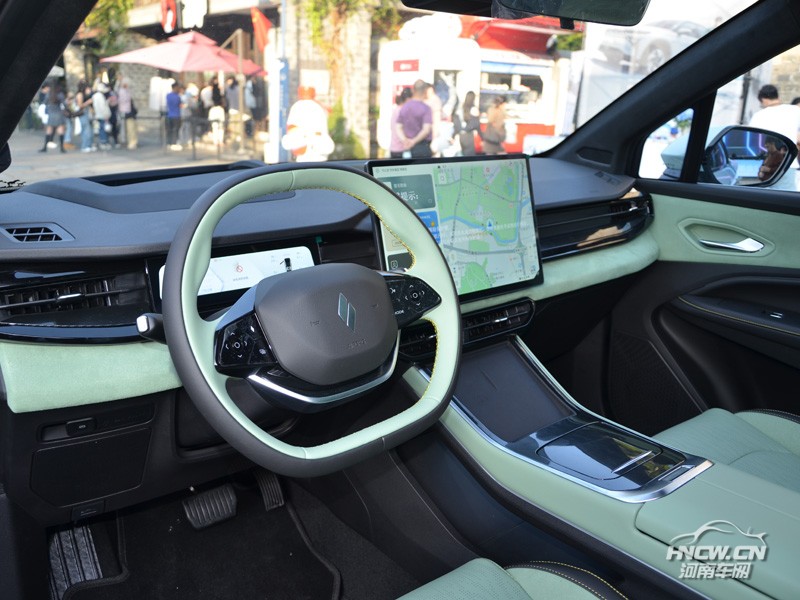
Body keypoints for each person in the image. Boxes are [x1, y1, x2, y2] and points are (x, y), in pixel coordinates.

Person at [281, 86, 334, 162]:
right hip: (312, 156)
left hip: (313, 155)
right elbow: (290, 135)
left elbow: (291, 132)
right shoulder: (317, 107)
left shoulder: (297, 107)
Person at [749, 84, 800, 157]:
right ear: (777, 97)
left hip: (769, 160)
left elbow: (753, 140)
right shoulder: (796, 110)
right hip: (793, 159)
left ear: (763, 100)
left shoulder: (758, 116)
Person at [396, 79, 433, 158]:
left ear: (413, 90)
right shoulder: (426, 108)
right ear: (425, 91)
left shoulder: (405, 107)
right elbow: (426, 130)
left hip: (407, 147)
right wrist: (413, 141)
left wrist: (405, 140)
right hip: (423, 147)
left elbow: (398, 127)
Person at [38, 83, 68, 153]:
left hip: (51, 114)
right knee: (60, 131)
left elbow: (44, 103)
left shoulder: (49, 94)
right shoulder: (60, 94)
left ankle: (45, 147)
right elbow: (64, 104)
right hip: (59, 114)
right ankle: (62, 148)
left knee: (48, 131)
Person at [389, 87, 412, 158]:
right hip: (401, 149)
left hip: (394, 147)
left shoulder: (396, 109)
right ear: (408, 99)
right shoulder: (402, 111)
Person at [458, 91, 481, 156]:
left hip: (461, 135)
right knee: (469, 156)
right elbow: (476, 124)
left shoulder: (462, 107)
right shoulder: (474, 109)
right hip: (469, 135)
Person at [117, 78, 138, 150]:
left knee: (131, 128)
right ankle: (130, 142)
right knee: (129, 128)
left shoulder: (126, 91)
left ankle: (131, 141)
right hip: (126, 111)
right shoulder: (123, 91)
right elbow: (124, 100)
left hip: (128, 111)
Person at [92, 83, 112, 150]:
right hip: (102, 115)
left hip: (98, 114)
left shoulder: (95, 96)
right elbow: (103, 107)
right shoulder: (100, 96)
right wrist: (106, 115)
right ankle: (103, 142)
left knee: (100, 129)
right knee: (103, 129)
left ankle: (102, 142)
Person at [75, 80, 94, 153]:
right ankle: (85, 146)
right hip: (83, 113)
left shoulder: (85, 94)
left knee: (89, 129)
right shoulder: (80, 94)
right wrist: (88, 102)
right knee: (86, 129)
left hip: (87, 113)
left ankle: (89, 145)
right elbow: (80, 106)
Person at [165, 82, 183, 150]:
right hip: (176, 115)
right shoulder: (177, 96)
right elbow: (179, 104)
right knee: (176, 130)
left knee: (170, 130)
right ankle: (174, 143)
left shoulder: (168, 95)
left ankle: (169, 143)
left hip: (169, 115)